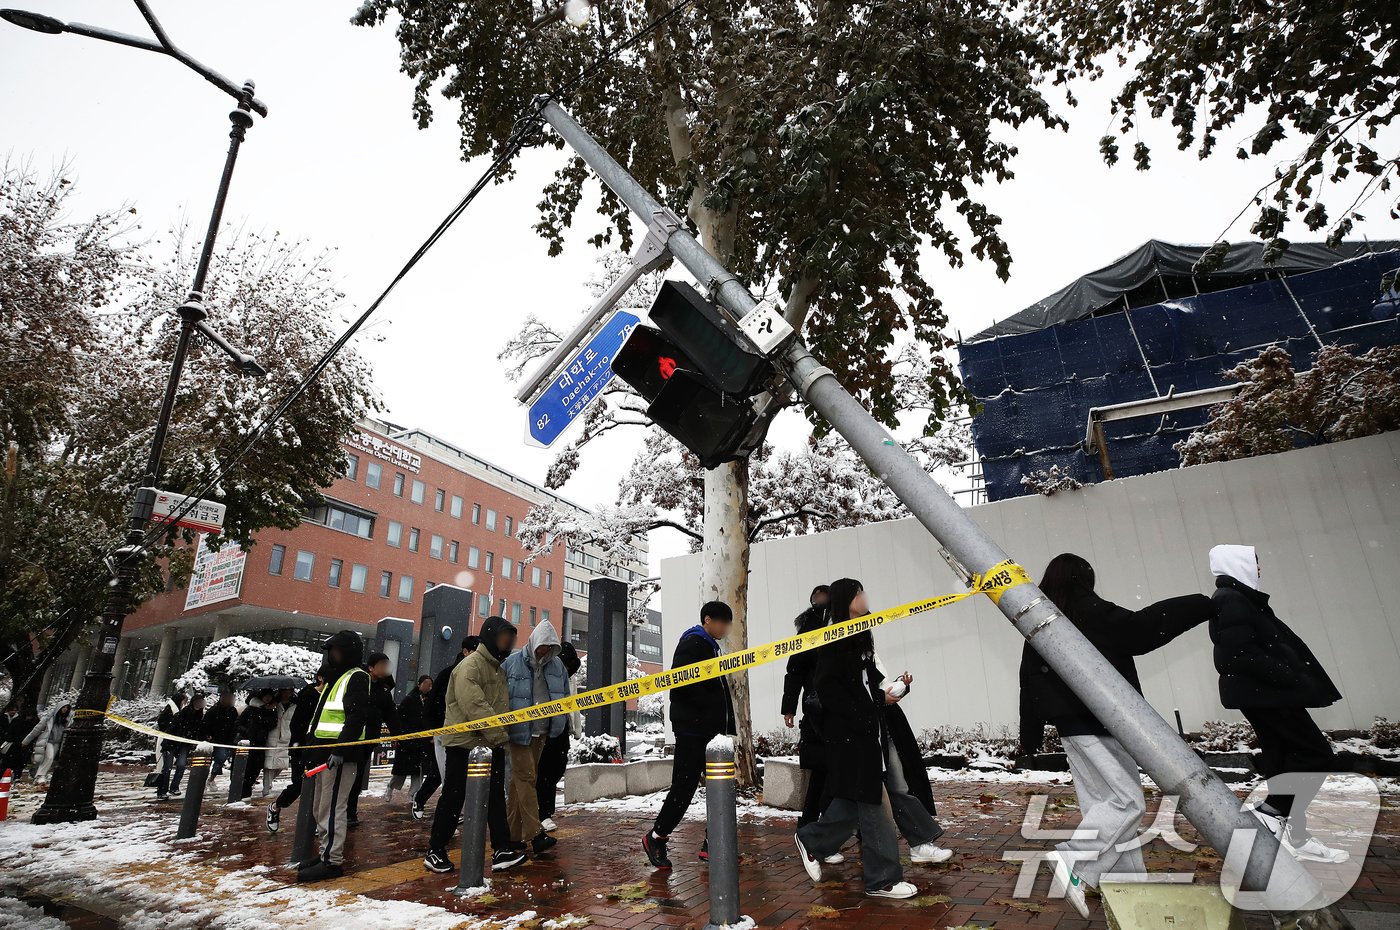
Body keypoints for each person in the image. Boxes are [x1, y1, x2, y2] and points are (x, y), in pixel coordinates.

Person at [1017, 553, 1215, 917]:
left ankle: (1126, 886)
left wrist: (1028, 738)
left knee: (1103, 806)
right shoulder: (1083, 607)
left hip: (1071, 727)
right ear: (1081, 578)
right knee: (1127, 803)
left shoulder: (1042, 616)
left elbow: (1027, 680)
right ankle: (1074, 860)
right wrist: (1200, 605)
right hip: (1103, 721)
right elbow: (1139, 631)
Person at [793, 579, 941, 900]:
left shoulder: (859, 633)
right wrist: (874, 701)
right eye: (859, 593)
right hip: (852, 736)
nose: (865, 597)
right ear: (847, 600)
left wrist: (891, 689)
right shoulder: (836, 637)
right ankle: (882, 880)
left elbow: (867, 678)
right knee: (875, 806)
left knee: (856, 802)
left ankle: (813, 840)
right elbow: (830, 688)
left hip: (866, 732)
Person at [1208, 544, 1348, 865]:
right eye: (1254, 563)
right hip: (1267, 693)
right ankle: (1271, 816)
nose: (1259, 569)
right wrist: (1288, 673)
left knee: (1282, 757)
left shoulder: (1239, 599)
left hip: (1264, 693)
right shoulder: (1231, 600)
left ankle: (1295, 836)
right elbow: (1237, 653)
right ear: (1237, 564)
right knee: (1315, 753)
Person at [424, 616, 527, 874]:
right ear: (491, 637)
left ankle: (502, 849)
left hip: (490, 743)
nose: (508, 644)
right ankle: (435, 850)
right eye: (504, 638)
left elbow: (499, 707)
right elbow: (476, 707)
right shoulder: (470, 666)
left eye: (510, 639)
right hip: (464, 744)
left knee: (495, 798)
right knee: (454, 796)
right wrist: (501, 735)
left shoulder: (496, 668)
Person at [643, 601, 736, 870]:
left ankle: (715, 843)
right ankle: (656, 836)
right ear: (708, 620)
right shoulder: (693, 644)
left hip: (709, 732)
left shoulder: (709, 646)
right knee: (684, 787)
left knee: (721, 787)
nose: (726, 628)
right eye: (723, 622)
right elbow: (681, 687)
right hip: (694, 732)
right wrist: (706, 715)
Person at [297, 632, 370, 883]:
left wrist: (340, 750)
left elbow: (356, 717)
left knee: (332, 808)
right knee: (321, 808)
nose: (331, 656)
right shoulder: (334, 678)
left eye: (335, 651)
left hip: (338, 756)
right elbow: (321, 719)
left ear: (347, 652)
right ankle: (324, 853)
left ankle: (332, 861)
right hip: (323, 754)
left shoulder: (357, 677)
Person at [502, 620, 570, 856]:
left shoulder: (557, 665)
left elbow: (565, 696)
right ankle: (535, 834)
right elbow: (502, 697)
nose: (544, 651)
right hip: (518, 731)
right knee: (527, 778)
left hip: (542, 732)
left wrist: (559, 724)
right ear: (533, 643)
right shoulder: (511, 663)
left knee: (518, 782)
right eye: (542, 645)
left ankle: (512, 836)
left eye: (549, 646)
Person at [412, 635, 479, 820]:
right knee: (444, 775)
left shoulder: (478, 674)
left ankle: (455, 811)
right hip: (443, 733)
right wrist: (432, 731)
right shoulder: (448, 674)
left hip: (467, 733)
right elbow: (432, 705)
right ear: (465, 652)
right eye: (475, 651)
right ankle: (424, 802)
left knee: (457, 775)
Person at [781, 585, 831, 828]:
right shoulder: (807, 628)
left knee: (842, 769)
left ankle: (849, 827)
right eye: (816, 596)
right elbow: (795, 670)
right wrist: (788, 707)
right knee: (821, 770)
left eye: (824, 596)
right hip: (817, 709)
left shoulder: (845, 622)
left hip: (843, 706)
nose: (820, 600)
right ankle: (811, 825)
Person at [267, 670, 326, 834]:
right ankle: (276, 806)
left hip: (318, 747)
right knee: (300, 784)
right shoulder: (308, 696)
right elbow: (297, 724)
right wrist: (299, 745)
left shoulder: (328, 696)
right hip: (301, 747)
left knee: (319, 785)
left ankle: (313, 821)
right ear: (320, 678)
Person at [346, 652, 400, 824]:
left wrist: (397, 734)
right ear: (371, 667)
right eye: (382, 664)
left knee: (357, 775)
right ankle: (342, 812)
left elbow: (390, 712)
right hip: (352, 737)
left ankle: (350, 813)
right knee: (347, 776)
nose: (386, 668)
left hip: (368, 738)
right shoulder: (359, 682)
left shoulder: (384, 689)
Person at [536, 640, 582, 831]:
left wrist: (575, 728)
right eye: (565, 663)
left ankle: (546, 811)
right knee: (544, 772)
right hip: (546, 729)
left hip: (563, 729)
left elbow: (573, 705)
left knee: (556, 769)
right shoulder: (545, 673)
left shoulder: (570, 678)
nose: (567, 668)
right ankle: (543, 813)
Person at [386, 674, 433, 801]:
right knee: (401, 771)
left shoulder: (430, 701)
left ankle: (413, 795)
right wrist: (397, 736)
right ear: (419, 684)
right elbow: (398, 718)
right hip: (408, 741)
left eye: (430, 684)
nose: (429, 687)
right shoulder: (409, 700)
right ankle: (390, 787)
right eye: (427, 684)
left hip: (422, 742)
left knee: (419, 771)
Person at [238, 689, 277, 801]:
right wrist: (247, 732)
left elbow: (272, 724)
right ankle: (244, 792)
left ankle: (247, 788)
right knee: (246, 768)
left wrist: (265, 716)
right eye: (266, 696)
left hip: (261, 743)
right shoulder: (250, 709)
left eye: (270, 696)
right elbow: (239, 723)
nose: (268, 698)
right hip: (247, 743)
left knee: (256, 767)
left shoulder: (271, 710)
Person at [152, 693, 189, 799]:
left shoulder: (178, 710)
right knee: (167, 767)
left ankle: (170, 788)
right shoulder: (171, 710)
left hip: (176, 742)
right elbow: (162, 723)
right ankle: (163, 790)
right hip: (169, 741)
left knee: (174, 766)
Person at [23, 702, 71, 784]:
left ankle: (38, 776)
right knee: (49, 757)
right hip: (48, 741)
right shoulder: (49, 718)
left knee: (47, 760)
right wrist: (26, 741)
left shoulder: (66, 720)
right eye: (63, 707)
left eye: (66, 708)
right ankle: (41, 775)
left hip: (58, 742)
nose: (65, 709)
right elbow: (36, 730)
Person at [262, 688, 295, 797]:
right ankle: (266, 788)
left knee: (281, 764)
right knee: (269, 765)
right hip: (272, 736)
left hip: (286, 737)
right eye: (284, 691)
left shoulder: (294, 706)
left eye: (288, 691)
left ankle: (270, 782)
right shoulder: (274, 704)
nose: (286, 694)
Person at [202, 691, 239, 783]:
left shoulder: (233, 711)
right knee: (206, 761)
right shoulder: (213, 710)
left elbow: (235, 726)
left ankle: (211, 779)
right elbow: (205, 724)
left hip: (225, 741)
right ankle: (202, 778)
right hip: (212, 739)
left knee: (220, 758)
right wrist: (207, 735)